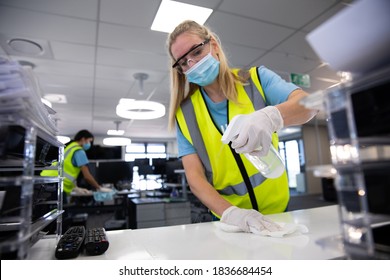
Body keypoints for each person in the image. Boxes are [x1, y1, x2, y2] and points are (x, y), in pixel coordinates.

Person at [166, 20, 317, 233]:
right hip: (230, 221)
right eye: (183, 62)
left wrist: (271, 116)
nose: (192, 64)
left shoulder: (256, 80)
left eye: (197, 52)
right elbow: (195, 178)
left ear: (214, 46)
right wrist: (232, 214)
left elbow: (309, 105)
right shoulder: (185, 114)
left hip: (279, 211)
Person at [41, 129, 102, 203]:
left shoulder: (70, 147)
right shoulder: (79, 151)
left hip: (47, 180)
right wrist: (99, 188)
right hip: (56, 184)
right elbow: (87, 176)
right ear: (83, 139)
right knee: (61, 212)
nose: (89, 144)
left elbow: (66, 170)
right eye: (89, 141)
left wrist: (74, 187)